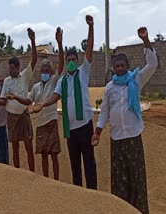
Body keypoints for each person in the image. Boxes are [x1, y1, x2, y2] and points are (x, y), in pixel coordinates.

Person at [92, 27, 157, 214]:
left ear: (127, 66)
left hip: (133, 137)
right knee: (120, 179)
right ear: (113, 67)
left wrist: (145, 40)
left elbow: (152, 65)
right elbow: (104, 112)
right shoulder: (110, 87)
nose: (120, 68)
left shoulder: (136, 80)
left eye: (122, 65)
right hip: (117, 139)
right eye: (117, 66)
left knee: (136, 177)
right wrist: (97, 132)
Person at [35, 15, 97, 189]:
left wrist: (91, 27)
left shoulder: (83, 72)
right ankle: (78, 194)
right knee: (75, 165)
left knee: (89, 163)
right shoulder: (62, 80)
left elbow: (90, 50)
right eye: (68, 60)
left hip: (85, 126)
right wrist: (42, 104)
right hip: (71, 129)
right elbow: (55, 96)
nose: (70, 62)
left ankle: (93, 194)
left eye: (73, 60)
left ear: (78, 61)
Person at [6, 27, 64, 179]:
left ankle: (56, 180)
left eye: (47, 70)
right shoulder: (36, 87)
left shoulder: (53, 81)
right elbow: (28, 100)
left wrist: (59, 42)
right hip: (40, 124)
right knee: (43, 154)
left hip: (51, 121)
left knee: (53, 154)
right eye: (42, 70)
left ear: (51, 72)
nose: (44, 72)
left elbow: (61, 64)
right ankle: (45, 179)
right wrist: (16, 98)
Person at [0, 28, 37, 171]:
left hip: (23, 115)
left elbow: (34, 60)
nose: (11, 71)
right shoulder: (6, 81)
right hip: (11, 117)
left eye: (12, 68)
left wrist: (32, 40)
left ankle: (32, 173)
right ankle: (18, 174)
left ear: (18, 67)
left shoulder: (25, 76)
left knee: (28, 145)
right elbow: (3, 100)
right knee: (15, 147)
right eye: (9, 68)